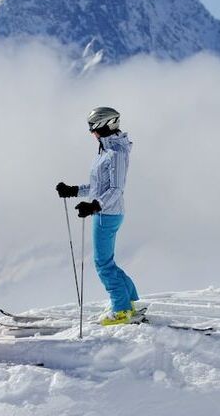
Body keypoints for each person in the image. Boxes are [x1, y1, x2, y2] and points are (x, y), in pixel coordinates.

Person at [56, 107, 140, 326]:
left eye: (91, 127)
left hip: (107, 214)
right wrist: (73, 190)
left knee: (102, 264)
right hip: (106, 211)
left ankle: (121, 310)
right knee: (107, 261)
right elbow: (98, 186)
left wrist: (95, 205)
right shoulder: (107, 150)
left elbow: (116, 189)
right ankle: (130, 302)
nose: (90, 132)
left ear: (102, 126)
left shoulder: (116, 153)